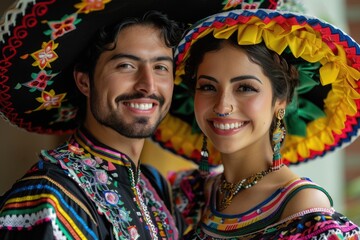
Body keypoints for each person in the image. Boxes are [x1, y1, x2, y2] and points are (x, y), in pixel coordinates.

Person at [152, 5, 360, 240]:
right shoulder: (190, 195)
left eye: (245, 88)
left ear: (281, 101)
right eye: (208, 87)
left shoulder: (300, 207)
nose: (222, 106)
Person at [0, 3, 186, 239]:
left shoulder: (156, 190)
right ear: (85, 81)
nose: (148, 85)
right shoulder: (50, 197)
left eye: (161, 67)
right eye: (126, 66)